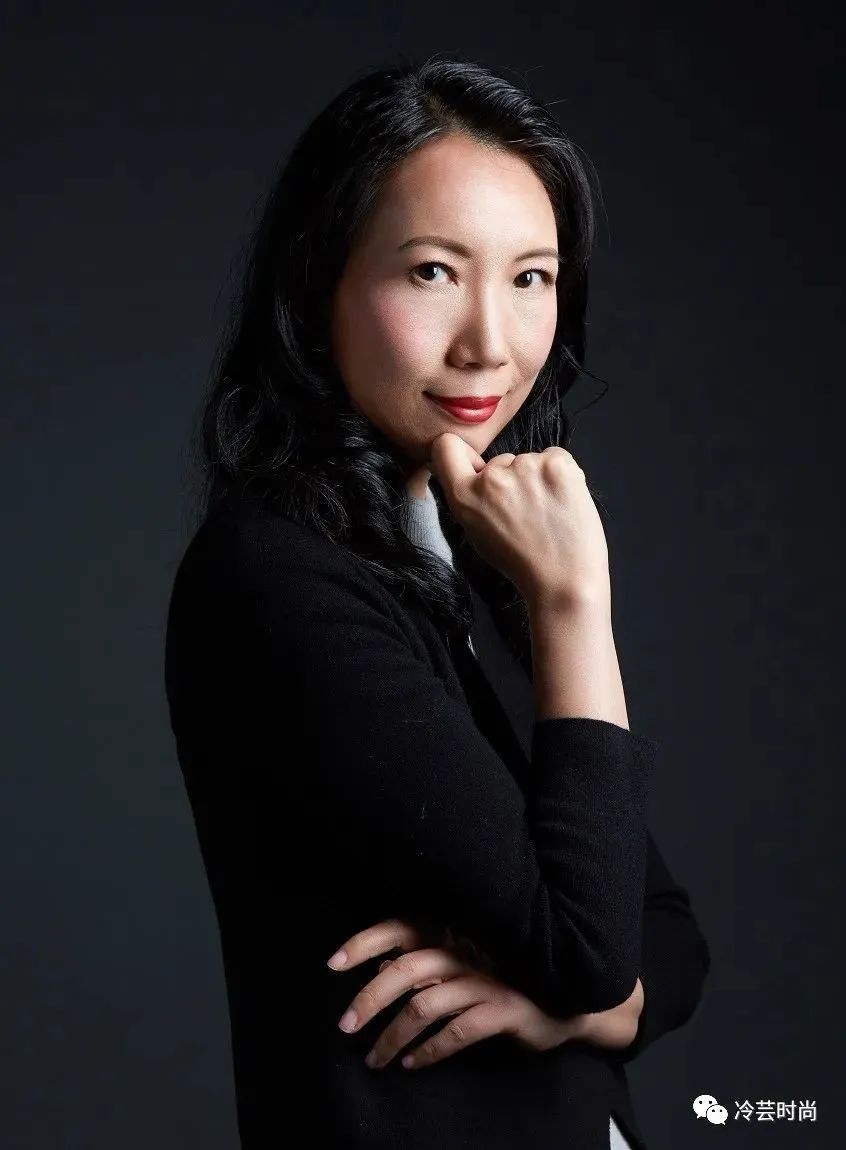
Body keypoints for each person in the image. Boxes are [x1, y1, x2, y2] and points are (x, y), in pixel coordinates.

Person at [164, 56, 711, 1149]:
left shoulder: (466, 558)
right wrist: (573, 601)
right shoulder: (279, 576)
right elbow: (593, 948)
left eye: (531, 278)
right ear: (317, 285)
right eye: (431, 272)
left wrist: (562, 1005)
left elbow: (670, 937)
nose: (489, 343)